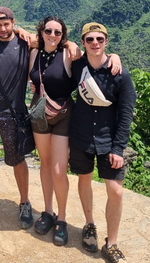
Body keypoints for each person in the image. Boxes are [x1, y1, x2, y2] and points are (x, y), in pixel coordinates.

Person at [0, 7, 80, 229]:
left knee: (18, 159)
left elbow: (53, 41)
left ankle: (25, 201)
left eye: (7, 24)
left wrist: (71, 44)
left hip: (15, 112)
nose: (3, 28)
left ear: (13, 22)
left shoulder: (27, 43)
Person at [29, 17, 122, 246]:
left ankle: (61, 217)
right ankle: (48, 211)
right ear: (41, 32)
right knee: (45, 164)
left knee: (59, 170)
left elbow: (95, 60)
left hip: (63, 114)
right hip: (39, 113)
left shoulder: (70, 55)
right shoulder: (32, 53)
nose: (52, 35)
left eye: (58, 32)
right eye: (48, 30)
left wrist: (115, 57)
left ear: (64, 35)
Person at [69, 22, 136, 262]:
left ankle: (112, 242)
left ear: (106, 41)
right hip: (80, 136)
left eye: (99, 39)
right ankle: (89, 224)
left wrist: (119, 148)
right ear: (84, 42)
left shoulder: (120, 73)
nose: (95, 43)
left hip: (109, 142)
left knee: (115, 191)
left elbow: (126, 113)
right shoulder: (77, 68)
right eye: (90, 39)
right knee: (84, 179)